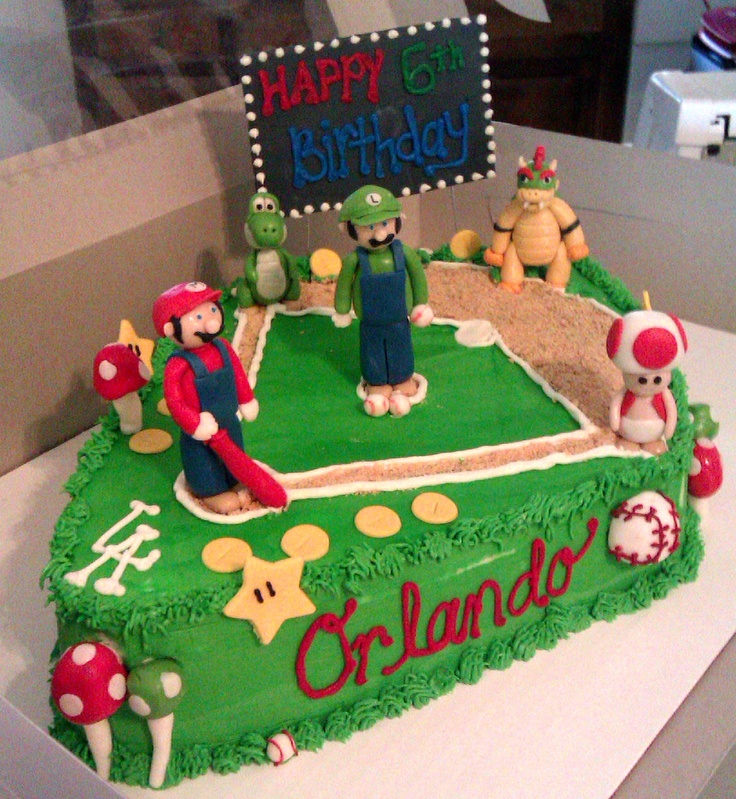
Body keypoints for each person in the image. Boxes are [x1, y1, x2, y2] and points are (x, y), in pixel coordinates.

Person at [153, 281, 287, 513]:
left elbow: (238, 375)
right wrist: (194, 423)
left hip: (229, 421)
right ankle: (211, 492)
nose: (211, 321)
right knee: (204, 464)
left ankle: (233, 479)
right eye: (198, 317)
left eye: (213, 309)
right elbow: (175, 401)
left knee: (236, 456)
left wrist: (246, 399)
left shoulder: (223, 347)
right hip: (202, 436)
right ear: (170, 329)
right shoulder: (178, 364)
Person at [334, 185, 433, 418]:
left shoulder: (404, 253)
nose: (379, 235)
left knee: (402, 348)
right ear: (350, 230)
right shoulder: (354, 260)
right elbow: (344, 286)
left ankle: (402, 378)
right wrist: (342, 310)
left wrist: (421, 304)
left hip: (399, 319)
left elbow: (418, 277)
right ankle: (377, 382)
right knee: (373, 353)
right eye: (369, 227)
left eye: (385, 224)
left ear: (398, 221)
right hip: (370, 323)